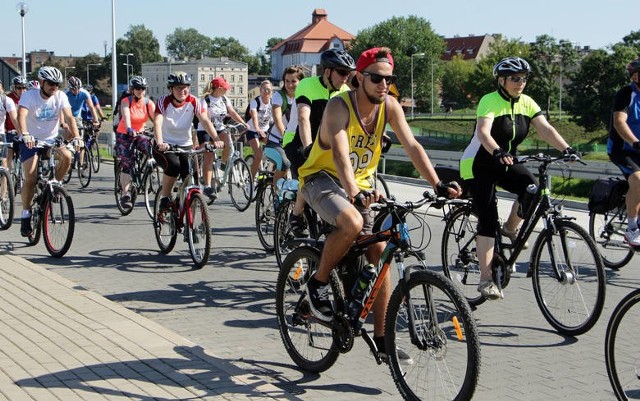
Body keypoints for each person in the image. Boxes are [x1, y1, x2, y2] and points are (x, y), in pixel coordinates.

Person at [299, 47, 461, 361]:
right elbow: (340, 153)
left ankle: (382, 339)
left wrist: (437, 184)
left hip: (359, 187)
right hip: (320, 177)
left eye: (388, 79)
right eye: (376, 78)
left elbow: (412, 144)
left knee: (380, 254)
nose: (383, 84)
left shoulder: (390, 107)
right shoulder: (339, 105)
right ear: (359, 77)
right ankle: (317, 283)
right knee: (353, 223)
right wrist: (353, 191)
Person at [459, 57, 577, 300]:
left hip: (505, 160)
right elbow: (483, 132)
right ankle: (486, 278)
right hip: (479, 163)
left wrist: (566, 149)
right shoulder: (489, 101)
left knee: (534, 189)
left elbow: (546, 129)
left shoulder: (527, 102)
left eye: (523, 78)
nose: (520, 83)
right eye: (515, 78)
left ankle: (511, 228)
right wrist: (497, 150)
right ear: (501, 80)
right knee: (488, 220)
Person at [283, 49, 355, 237]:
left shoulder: (344, 91)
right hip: (298, 140)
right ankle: (296, 215)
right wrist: (308, 149)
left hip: (324, 144)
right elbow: (303, 118)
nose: (345, 78)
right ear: (328, 72)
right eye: (342, 73)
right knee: (308, 174)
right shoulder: (307, 84)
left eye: (348, 73)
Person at [16, 66, 83, 237]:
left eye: (57, 84)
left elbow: (69, 117)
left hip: (51, 140)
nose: (55, 87)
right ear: (42, 83)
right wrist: (25, 134)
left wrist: (76, 137)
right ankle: (25, 214)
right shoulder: (29, 95)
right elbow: (21, 115)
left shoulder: (60, 96)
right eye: (51, 84)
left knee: (67, 156)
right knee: (30, 177)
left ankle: (55, 186)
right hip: (31, 140)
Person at [153, 71, 222, 212]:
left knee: (193, 177)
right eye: (178, 87)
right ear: (171, 89)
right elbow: (157, 123)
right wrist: (160, 142)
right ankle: (165, 197)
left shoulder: (193, 101)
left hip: (186, 144)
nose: (182, 91)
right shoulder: (163, 101)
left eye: (185, 87)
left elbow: (205, 120)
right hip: (165, 145)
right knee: (173, 165)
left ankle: (190, 220)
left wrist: (216, 139)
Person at [194, 77, 247, 200]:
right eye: (224, 88)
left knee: (228, 144)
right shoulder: (204, 100)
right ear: (218, 88)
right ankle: (207, 186)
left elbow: (232, 112)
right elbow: (204, 119)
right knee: (209, 154)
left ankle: (223, 164)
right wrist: (215, 138)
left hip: (219, 127)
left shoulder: (224, 99)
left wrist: (243, 123)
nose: (226, 91)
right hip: (205, 129)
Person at [607, 57, 640, 247]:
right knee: (638, 179)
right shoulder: (626, 94)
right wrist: (635, 142)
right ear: (635, 76)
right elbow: (619, 122)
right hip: (624, 149)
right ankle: (632, 227)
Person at [114, 76, 155, 209]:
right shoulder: (126, 101)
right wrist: (129, 128)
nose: (140, 91)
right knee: (128, 163)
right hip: (125, 133)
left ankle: (148, 174)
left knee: (152, 148)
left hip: (140, 134)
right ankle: (125, 194)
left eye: (143, 88)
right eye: (137, 88)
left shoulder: (148, 103)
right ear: (132, 90)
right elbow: (126, 115)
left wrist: (162, 130)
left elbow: (157, 118)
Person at [267, 66, 305, 184]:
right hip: (275, 142)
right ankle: (278, 196)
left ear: (301, 81)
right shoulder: (279, 96)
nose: (289, 85)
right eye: (287, 81)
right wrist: (285, 136)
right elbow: (277, 119)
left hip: (296, 141)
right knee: (285, 163)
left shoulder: (304, 96)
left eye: (293, 81)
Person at [245, 80, 274, 181]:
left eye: (268, 90)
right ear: (260, 91)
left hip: (265, 130)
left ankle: (267, 170)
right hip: (252, 130)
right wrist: (257, 128)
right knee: (258, 155)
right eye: (264, 89)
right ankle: (251, 180)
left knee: (276, 150)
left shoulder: (273, 102)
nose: (266, 91)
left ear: (271, 91)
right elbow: (254, 115)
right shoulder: (255, 102)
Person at [3, 77, 25, 170]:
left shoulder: (27, 98)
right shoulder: (8, 98)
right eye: (19, 88)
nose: (22, 90)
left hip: (24, 131)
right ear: (14, 88)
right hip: (10, 131)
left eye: (24, 88)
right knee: (9, 155)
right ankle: (9, 176)